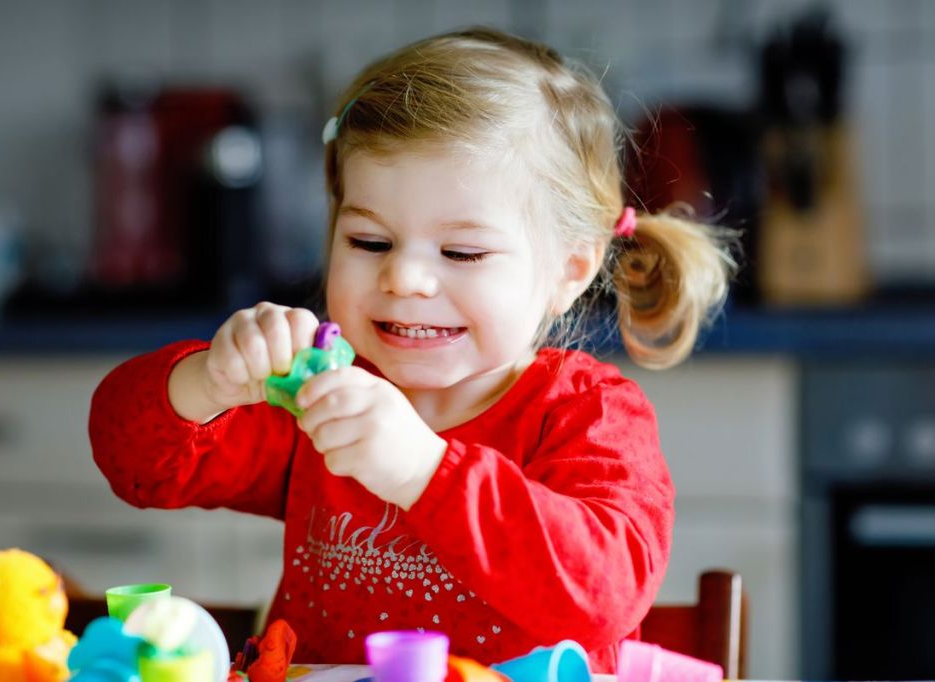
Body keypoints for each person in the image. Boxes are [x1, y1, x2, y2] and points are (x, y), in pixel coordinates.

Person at [89, 26, 736, 671]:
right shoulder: (320, 391)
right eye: (370, 242)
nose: (404, 279)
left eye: (461, 252)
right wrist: (208, 382)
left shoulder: (584, 415)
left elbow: (601, 594)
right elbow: (137, 466)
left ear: (569, 270)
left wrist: (424, 472)